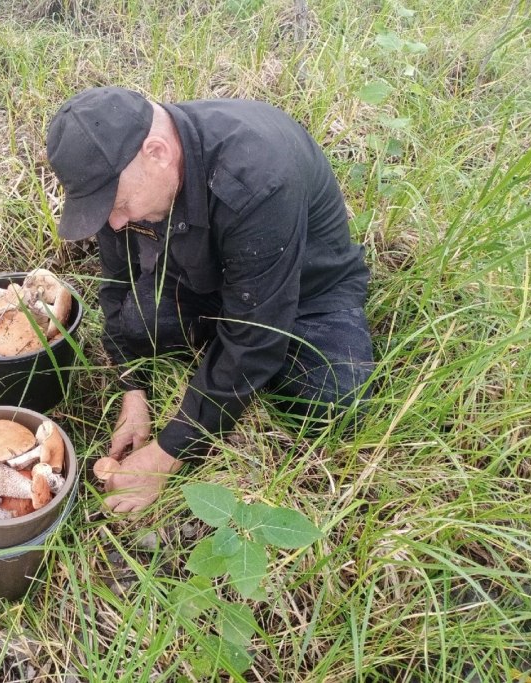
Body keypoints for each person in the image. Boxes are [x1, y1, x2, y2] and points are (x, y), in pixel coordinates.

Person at [45, 86, 375, 513]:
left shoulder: (257, 177)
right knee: (136, 323)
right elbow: (118, 281)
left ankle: (235, 373)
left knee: (335, 402)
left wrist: (167, 452)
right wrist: (132, 388)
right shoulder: (123, 177)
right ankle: (222, 369)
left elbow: (256, 331)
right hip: (203, 275)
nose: (117, 222)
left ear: (158, 152)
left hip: (305, 290)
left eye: (120, 205)